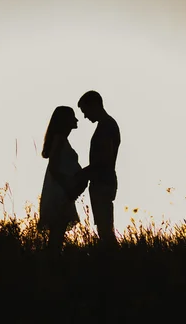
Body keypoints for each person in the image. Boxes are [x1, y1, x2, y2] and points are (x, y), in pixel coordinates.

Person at [38, 106, 88, 254]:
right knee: (57, 234)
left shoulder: (61, 140)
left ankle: (52, 262)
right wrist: (68, 188)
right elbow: (54, 168)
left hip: (61, 191)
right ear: (65, 120)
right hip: (59, 192)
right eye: (73, 116)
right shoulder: (59, 140)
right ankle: (52, 264)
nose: (76, 119)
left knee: (58, 233)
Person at [77, 90, 121, 248]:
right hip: (101, 181)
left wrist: (83, 173)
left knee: (105, 229)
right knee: (103, 228)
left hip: (103, 182)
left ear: (94, 105)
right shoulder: (106, 125)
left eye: (85, 111)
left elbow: (105, 159)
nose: (85, 116)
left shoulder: (107, 126)